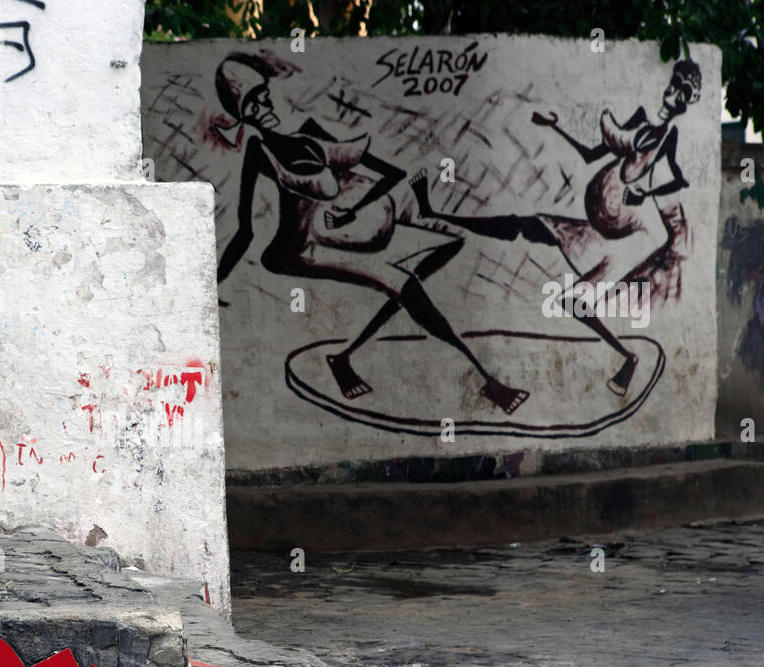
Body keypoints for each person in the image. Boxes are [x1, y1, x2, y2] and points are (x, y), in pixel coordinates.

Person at [213, 52, 529, 415]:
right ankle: (488, 382)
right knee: (403, 284)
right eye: (251, 102)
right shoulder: (259, 150)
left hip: (337, 235)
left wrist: (353, 208)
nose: (264, 103)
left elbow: (390, 174)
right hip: (295, 251)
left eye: (264, 93)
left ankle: (343, 356)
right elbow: (244, 229)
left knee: (446, 245)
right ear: (241, 113)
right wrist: (214, 282)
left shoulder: (311, 133)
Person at [409, 59, 701, 396]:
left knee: (572, 302)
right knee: (525, 226)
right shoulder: (639, 126)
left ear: (688, 103)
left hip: (627, 241)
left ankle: (628, 359)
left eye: (685, 92)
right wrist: (555, 126)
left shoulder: (665, 143)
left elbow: (675, 182)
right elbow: (593, 154)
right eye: (675, 83)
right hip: (598, 231)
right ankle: (436, 214)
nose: (675, 93)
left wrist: (646, 190)